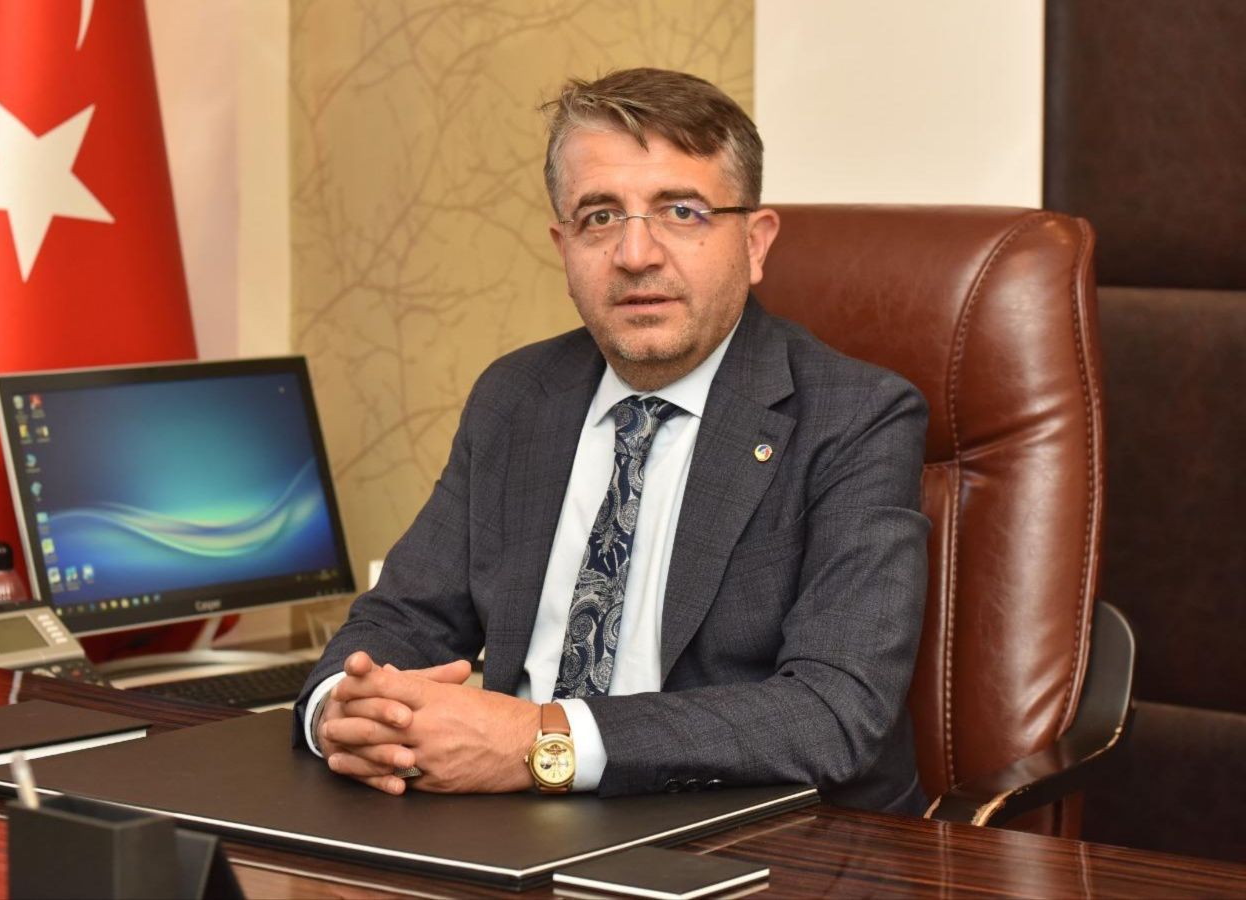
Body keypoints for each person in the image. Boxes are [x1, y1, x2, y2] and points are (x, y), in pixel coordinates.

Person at [293, 67, 930, 814]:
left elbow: (833, 710)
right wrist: (341, 711)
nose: (635, 255)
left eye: (682, 211)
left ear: (756, 243)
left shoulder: (857, 416)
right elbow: (405, 617)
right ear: (563, 247)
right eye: (599, 217)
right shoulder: (517, 396)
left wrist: (538, 741)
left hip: (754, 835)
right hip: (506, 825)